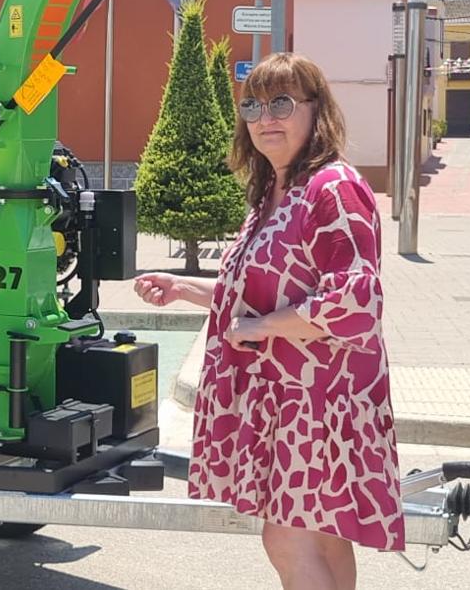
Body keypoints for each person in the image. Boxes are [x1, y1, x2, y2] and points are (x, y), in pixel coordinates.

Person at [134, 52, 403, 589]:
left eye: (281, 102)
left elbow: (353, 299)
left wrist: (262, 329)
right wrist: (184, 287)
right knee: (323, 537)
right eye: (252, 106)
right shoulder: (273, 193)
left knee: (286, 538)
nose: (265, 118)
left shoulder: (332, 186)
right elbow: (254, 296)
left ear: (316, 109)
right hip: (289, 399)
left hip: (320, 400)